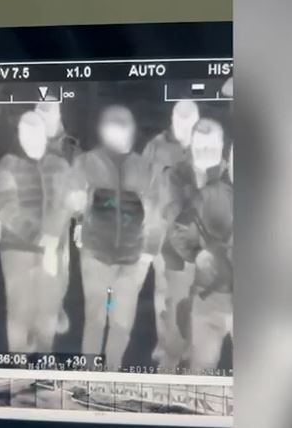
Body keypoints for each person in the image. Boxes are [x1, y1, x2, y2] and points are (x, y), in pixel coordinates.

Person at [66, 105, 166, 368]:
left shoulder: (146, 168)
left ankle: (112, 370)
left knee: (121, 323)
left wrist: (147, 254)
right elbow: (72, 200)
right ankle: (89, 373)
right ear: (104, 132)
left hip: (131, 260)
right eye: (113, 130)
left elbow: (155, 214)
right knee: (95, 320)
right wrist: (77, 213)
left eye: (123, 130)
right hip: (95, 256)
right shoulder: (87, 163)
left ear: (131, 132)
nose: (118, 136)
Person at [0, 111, 72, 353]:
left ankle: (43, 361)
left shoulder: (60, 165)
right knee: (20, 311)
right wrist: (41, 239)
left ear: (45, 135)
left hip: (51, 248)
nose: (31, 139)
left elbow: (65, 204)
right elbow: (7, 209)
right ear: (19, 135)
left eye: (35, 133)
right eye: (25, 133)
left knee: (48, 308)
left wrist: (53, 239)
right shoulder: (7, 165)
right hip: (17, 247)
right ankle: (18, 364)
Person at [164, 119, 233, 370]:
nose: (205, 153)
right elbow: (173, 216)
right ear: (191, 145)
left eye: (211, 148)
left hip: (222, 275)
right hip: (183, 263)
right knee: (176, 332)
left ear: (222, 145)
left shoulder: (232, 171)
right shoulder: (175, 174)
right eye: (200, 147)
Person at [141, 100, 201, 366]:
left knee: (193, 294)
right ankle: (165, 346)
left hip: (194, 236)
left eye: (190, 124)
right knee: (163, 293)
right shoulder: (156, 148)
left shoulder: (205, 146)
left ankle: (189, 347)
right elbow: (144, 191)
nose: (184, 129)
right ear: (173, 120)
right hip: (163, 233)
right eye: (180, 122)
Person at [33, 99, 81, 334]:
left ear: (57, 116)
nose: (42, 122)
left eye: (46, 117)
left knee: (57, 265)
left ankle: (55, 308)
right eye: (39, 117)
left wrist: (81, 222)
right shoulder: (30, 140)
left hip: (59, 217)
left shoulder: (70, 149)